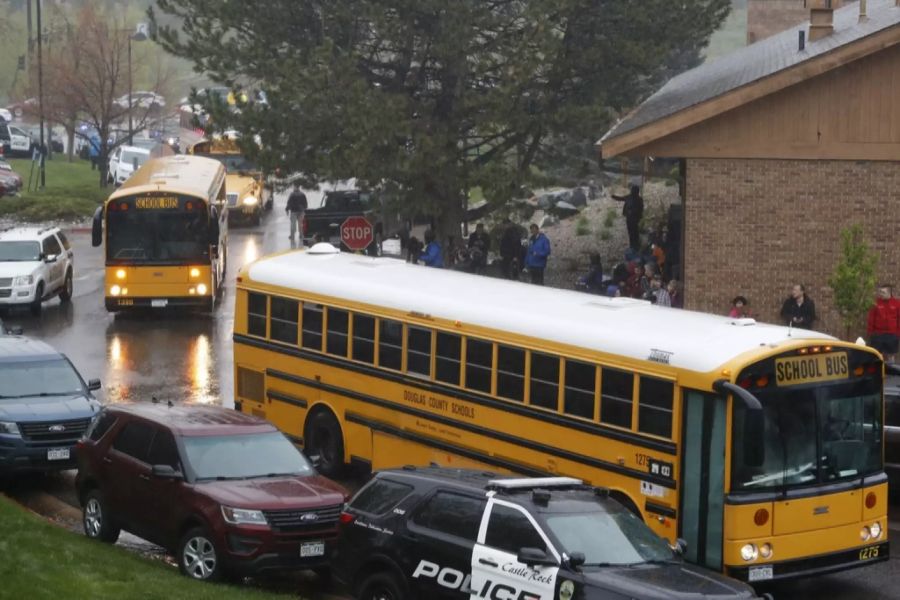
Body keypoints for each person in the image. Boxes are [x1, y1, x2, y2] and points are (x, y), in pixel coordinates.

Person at [867, 284, 900, 362]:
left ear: (889, 293)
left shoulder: (897, 304)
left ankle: (891, 372)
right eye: (880, 292)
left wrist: (897, 334)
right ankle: (877, 372)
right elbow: (871, 318)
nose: (880, 294)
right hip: (878, 334)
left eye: (883, 292)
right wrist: (870, 332)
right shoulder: (876, 303)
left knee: (891, 356)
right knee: (876, 355)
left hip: (892, 335)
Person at [611, 184, 644, 251]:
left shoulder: (634, 198)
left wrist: (613, 196)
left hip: (632, 218)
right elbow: (621, 198)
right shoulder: (636, 198)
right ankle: (634, 245)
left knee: (633, 232)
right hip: (632, 218)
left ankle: (634, 245)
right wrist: (613, 196)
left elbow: (620, 198)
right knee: (633, 232)